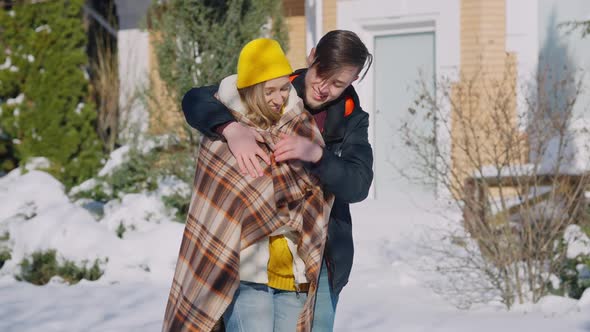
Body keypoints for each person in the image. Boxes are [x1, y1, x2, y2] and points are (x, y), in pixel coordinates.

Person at [181, 30, 374, 331]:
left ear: (352, 82)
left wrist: (317, 155)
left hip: (320, 255)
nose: (324, 88)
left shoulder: (352, 119)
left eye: (339, 84)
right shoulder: (275, 87)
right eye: (322, 74)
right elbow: (196, 99)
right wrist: (231, 129)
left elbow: (358, 184)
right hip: (252, 248)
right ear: (312, 57)